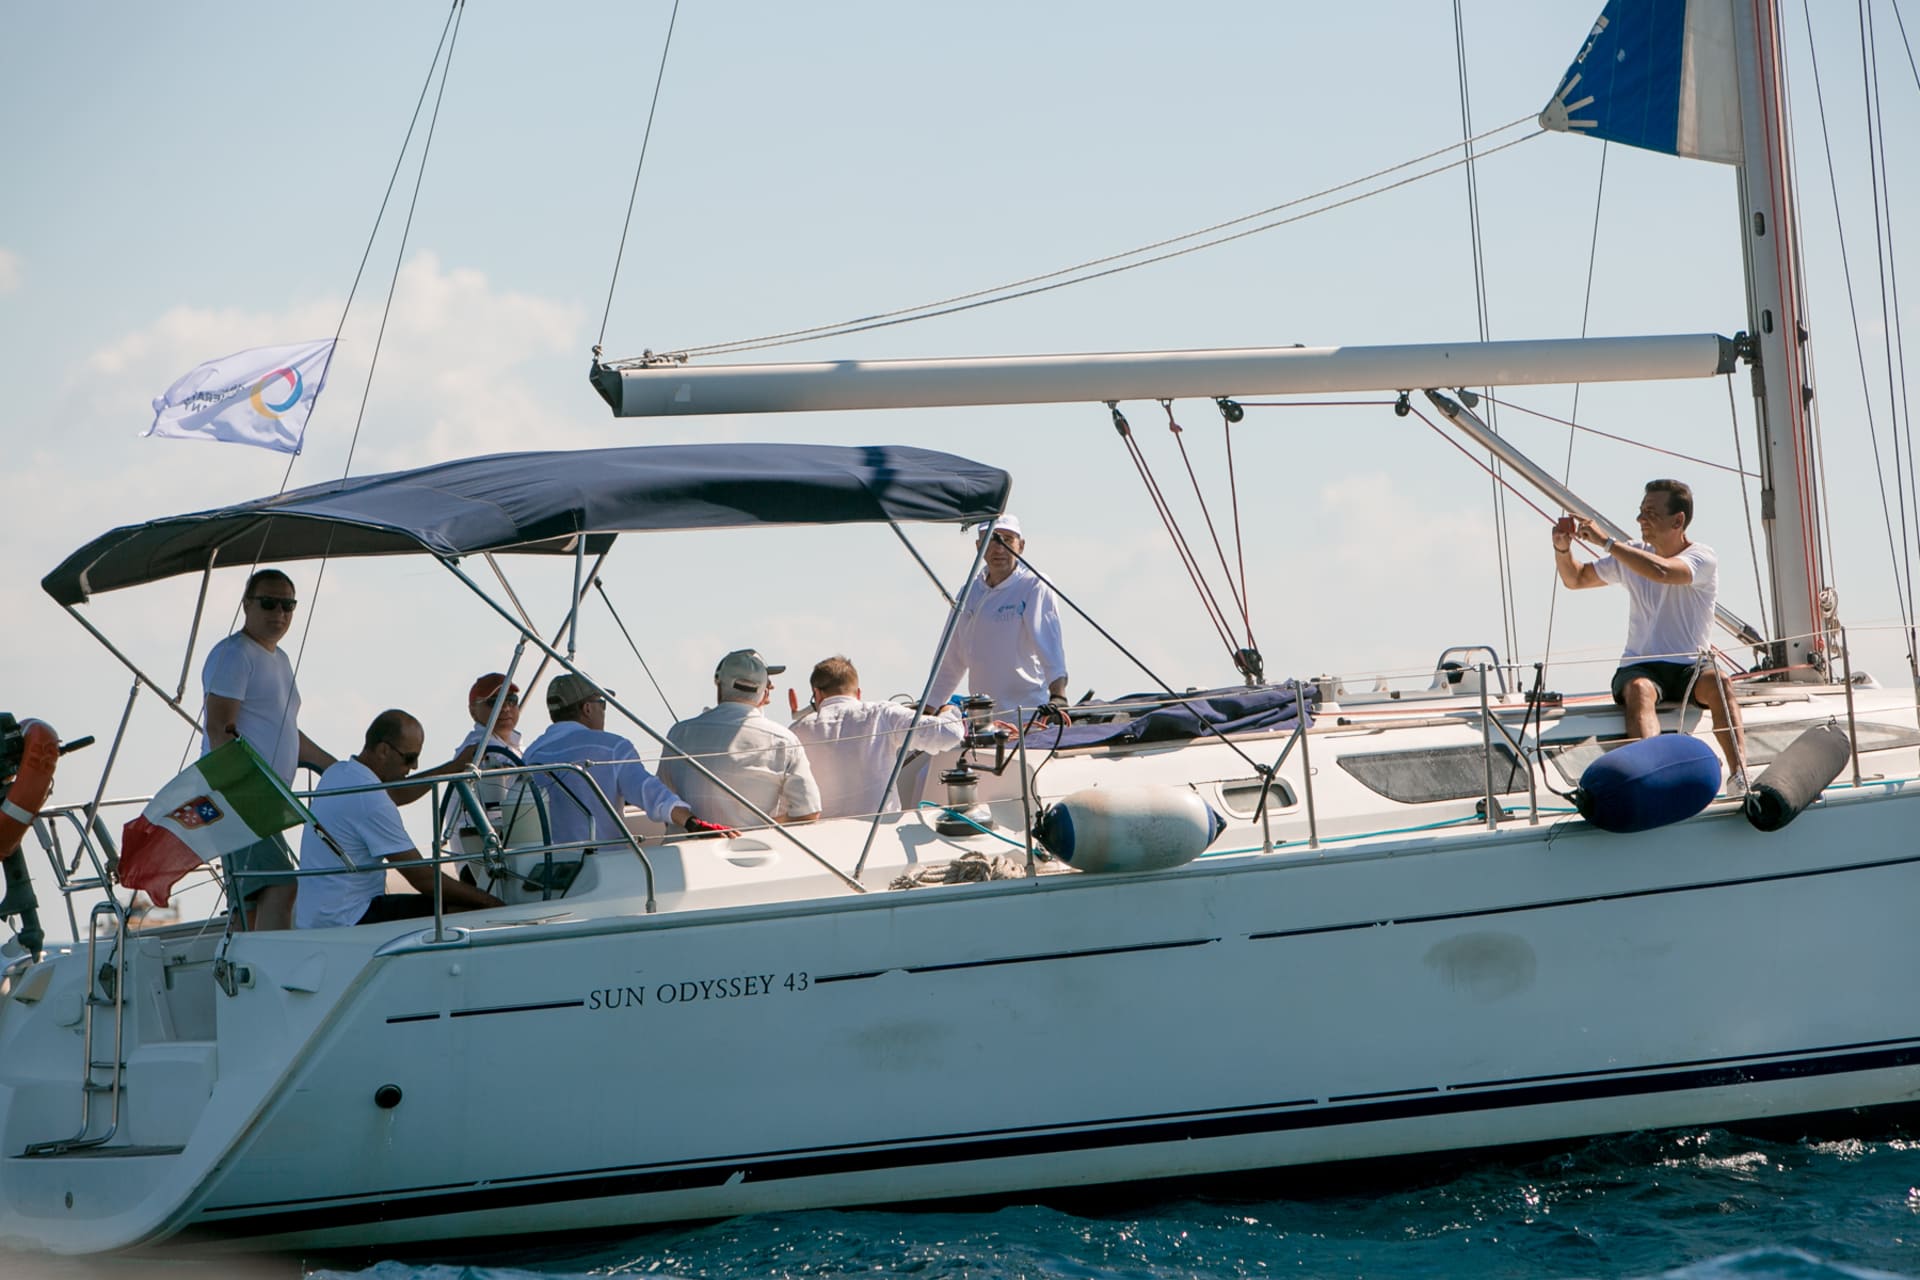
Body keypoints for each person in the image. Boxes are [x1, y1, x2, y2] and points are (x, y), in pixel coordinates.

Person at [1553, 478, 1749, 793]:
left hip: (1690, 667)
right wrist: (1562, 549)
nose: (1640, 519)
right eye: (1641, 511)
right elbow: (1575, 579)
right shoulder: (1631, 554)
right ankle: (1653, 780)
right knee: (1640, 690)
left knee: (1720, 683)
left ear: (1678, 521)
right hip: (1640, 666)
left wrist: (1608, 543)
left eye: (1650, 513)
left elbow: (1663, 572)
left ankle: (1740, 776)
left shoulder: (1702, 557)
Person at [201, 568, 337, 930]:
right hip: (240, 795)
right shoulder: (234, 654)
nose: (279, 612)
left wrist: (337, 768)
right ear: (246, 604)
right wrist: (252, 792)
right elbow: (219, 729)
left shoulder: (281, 659)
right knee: (281, 885)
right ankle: (268, 963)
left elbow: (285, 730)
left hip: (265, 800)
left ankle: (238, 960)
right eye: (268, 603)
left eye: (287, 605)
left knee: (250, 901)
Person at [293, 710, 503, 928]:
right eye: (410, 758)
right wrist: (492, 903)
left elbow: (395, 794)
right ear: (383, 750)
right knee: (466, 910)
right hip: (350, 918)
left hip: (317, 917)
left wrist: (453, 767)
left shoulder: (340, 773)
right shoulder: (370, 799)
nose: (415, 767)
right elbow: (423, 878)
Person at [522, 673, 719, 846]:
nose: (603, 710)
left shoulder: (531, 755)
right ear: (587, 709)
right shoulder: (613, 747)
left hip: (546, 865)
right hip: (601, 864)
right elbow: (649, 792)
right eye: (602, 703)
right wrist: (692, 822)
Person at [927, 515, 1071, 727]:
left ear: (1021, 546)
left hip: (1028, 718)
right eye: (991, 539)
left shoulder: (1033, 584)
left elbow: (1050, 646)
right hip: (983, 723)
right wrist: (927, 710)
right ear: (979, 546)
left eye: (1007, 539)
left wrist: (1058, 696)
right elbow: (951, 658)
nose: (999, 548)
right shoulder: (969, 592)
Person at [660, 651, 822, 829]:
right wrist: (762, 828)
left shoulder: (679, 732)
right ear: (764, 691)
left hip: (686, 842)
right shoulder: (784, 740)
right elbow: (808, 812)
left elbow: (662, 798)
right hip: (751, 844)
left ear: (719, 684)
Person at [792, 655, 968, 818]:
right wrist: (949, 710)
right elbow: (950, 734)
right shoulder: (881, 713)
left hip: (822, 836)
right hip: (879, 832)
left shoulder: (797, 730)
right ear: (858, 693)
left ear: (817, 694)